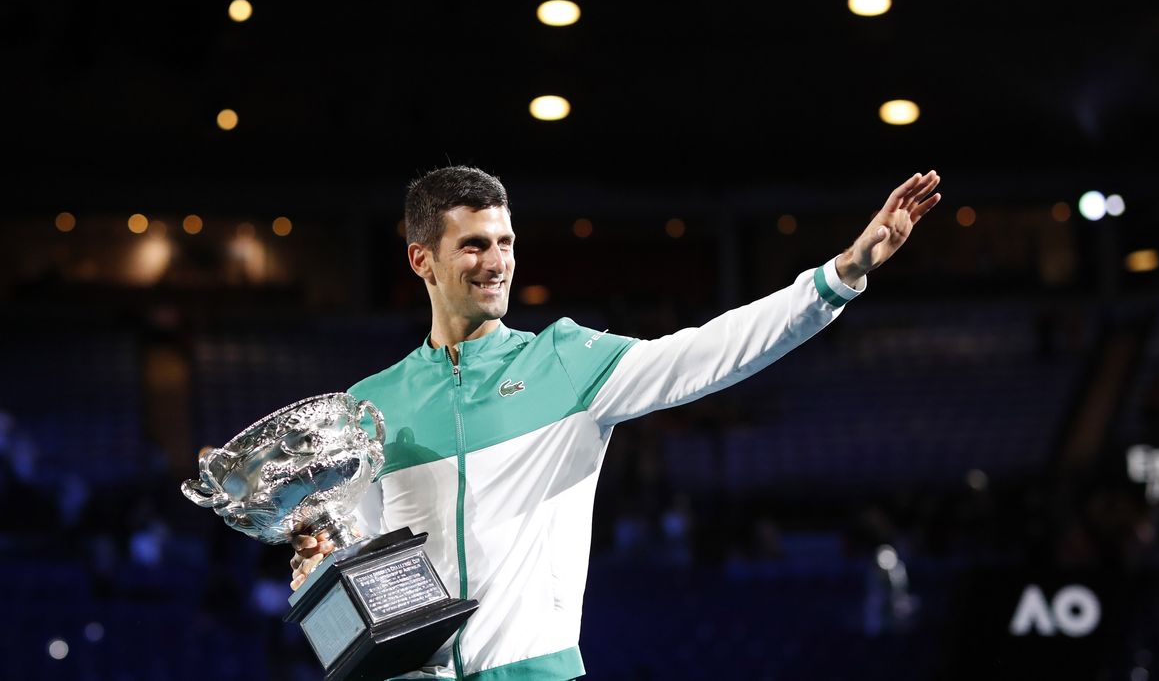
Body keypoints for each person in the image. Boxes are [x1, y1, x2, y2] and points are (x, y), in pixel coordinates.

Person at [290, 165, 942, 680]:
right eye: (474, 245)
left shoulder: (564, 362)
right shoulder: (371, 404)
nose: (497, 262)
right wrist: (325, 574)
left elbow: (707, 354)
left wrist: (839, 276)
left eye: (506, 243)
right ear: (422, 260)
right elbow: (366, 570)